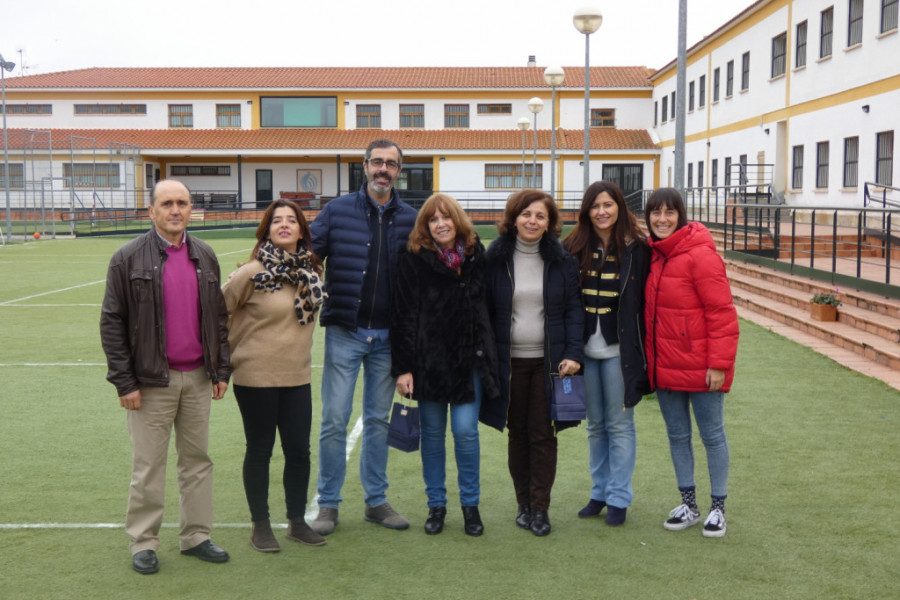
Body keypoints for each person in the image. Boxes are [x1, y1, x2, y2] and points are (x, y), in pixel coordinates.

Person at [99, 179, 232, 575]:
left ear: (192, 209)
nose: (176, 210)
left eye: (183, 203)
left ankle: (196, 536)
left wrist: (221, 369)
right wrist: (125, 382)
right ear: (152, 211)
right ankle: (144, 541)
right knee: (149, 465)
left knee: (197, 462)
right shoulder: (127, 258)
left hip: (197, 380)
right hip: (150, 383)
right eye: (167, 203)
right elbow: (112, 323)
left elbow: (219, 320)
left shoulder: (205, 256)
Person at [308, 139, 417, 535]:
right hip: (345, 331)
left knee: (376, 422)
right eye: (377, 162)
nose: (383, 169)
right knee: (335, 420)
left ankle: (376, 501)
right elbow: (308, 255)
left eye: (391, 163)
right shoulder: (336, 211)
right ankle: (329, 505)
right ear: (365, 166)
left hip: (389, 338)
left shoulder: (410, 218)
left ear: (399, 170)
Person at [391, 193, 502, 537]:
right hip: (429, 364)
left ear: (458, 221)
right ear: (425, 227)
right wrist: (404, 368)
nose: (440, 224)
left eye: (446, 218)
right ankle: (436, 505)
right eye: (433, 220)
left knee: (466, 432)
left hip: (470, 362)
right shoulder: (412, 261)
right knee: (433, 436)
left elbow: (490, 308)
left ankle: (471, 506)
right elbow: (403, 317)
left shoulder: (477, 256)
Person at [222, 199, 328, 552]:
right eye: (276, 221)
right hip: (255, 377)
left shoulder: (312, 272)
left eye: (291, 220)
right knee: (260, 451)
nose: (284, 225)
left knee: (299, 451)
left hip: (297, 376)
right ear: (266, 230)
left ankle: (297, 522)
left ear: (302, 229)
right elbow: (216, 314)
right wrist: (224, 362)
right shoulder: (250, 273)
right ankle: (261, 525)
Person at [483, 189, 584, 537]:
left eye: (540, 216)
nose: (532, 221)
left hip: (549, 364)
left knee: (544, 435)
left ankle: (540, 508)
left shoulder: (562, 262)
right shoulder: (494, 260)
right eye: (526, 214)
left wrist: (573, 354)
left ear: (549, 223)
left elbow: (573, 310)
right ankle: (522, 503)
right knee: (518, 435)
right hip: (508, 363)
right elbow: (483, 311)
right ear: (513, 219)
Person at [643, 187, 739, 538]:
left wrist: (718, 364)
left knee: (712, 435)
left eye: (669, 212)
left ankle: (717, 508)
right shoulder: (653, 255)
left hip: (702, 367)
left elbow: (722, 313)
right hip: (666, 365)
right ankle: (689, 504)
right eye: (655, 212)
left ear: (681, 215)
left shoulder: (701, 255)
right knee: (678, 435)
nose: (662, 219)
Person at [562, 181, 651, 527]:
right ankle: (599, 493)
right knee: (596, 427)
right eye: (595, 206)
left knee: (620, 425)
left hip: (619, 352)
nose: (601, 211)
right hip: (584, 352)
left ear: (619, 208)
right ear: (587, 211)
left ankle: (619, 497)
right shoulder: (572, 247)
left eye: (608, 205)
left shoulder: (637, 249)